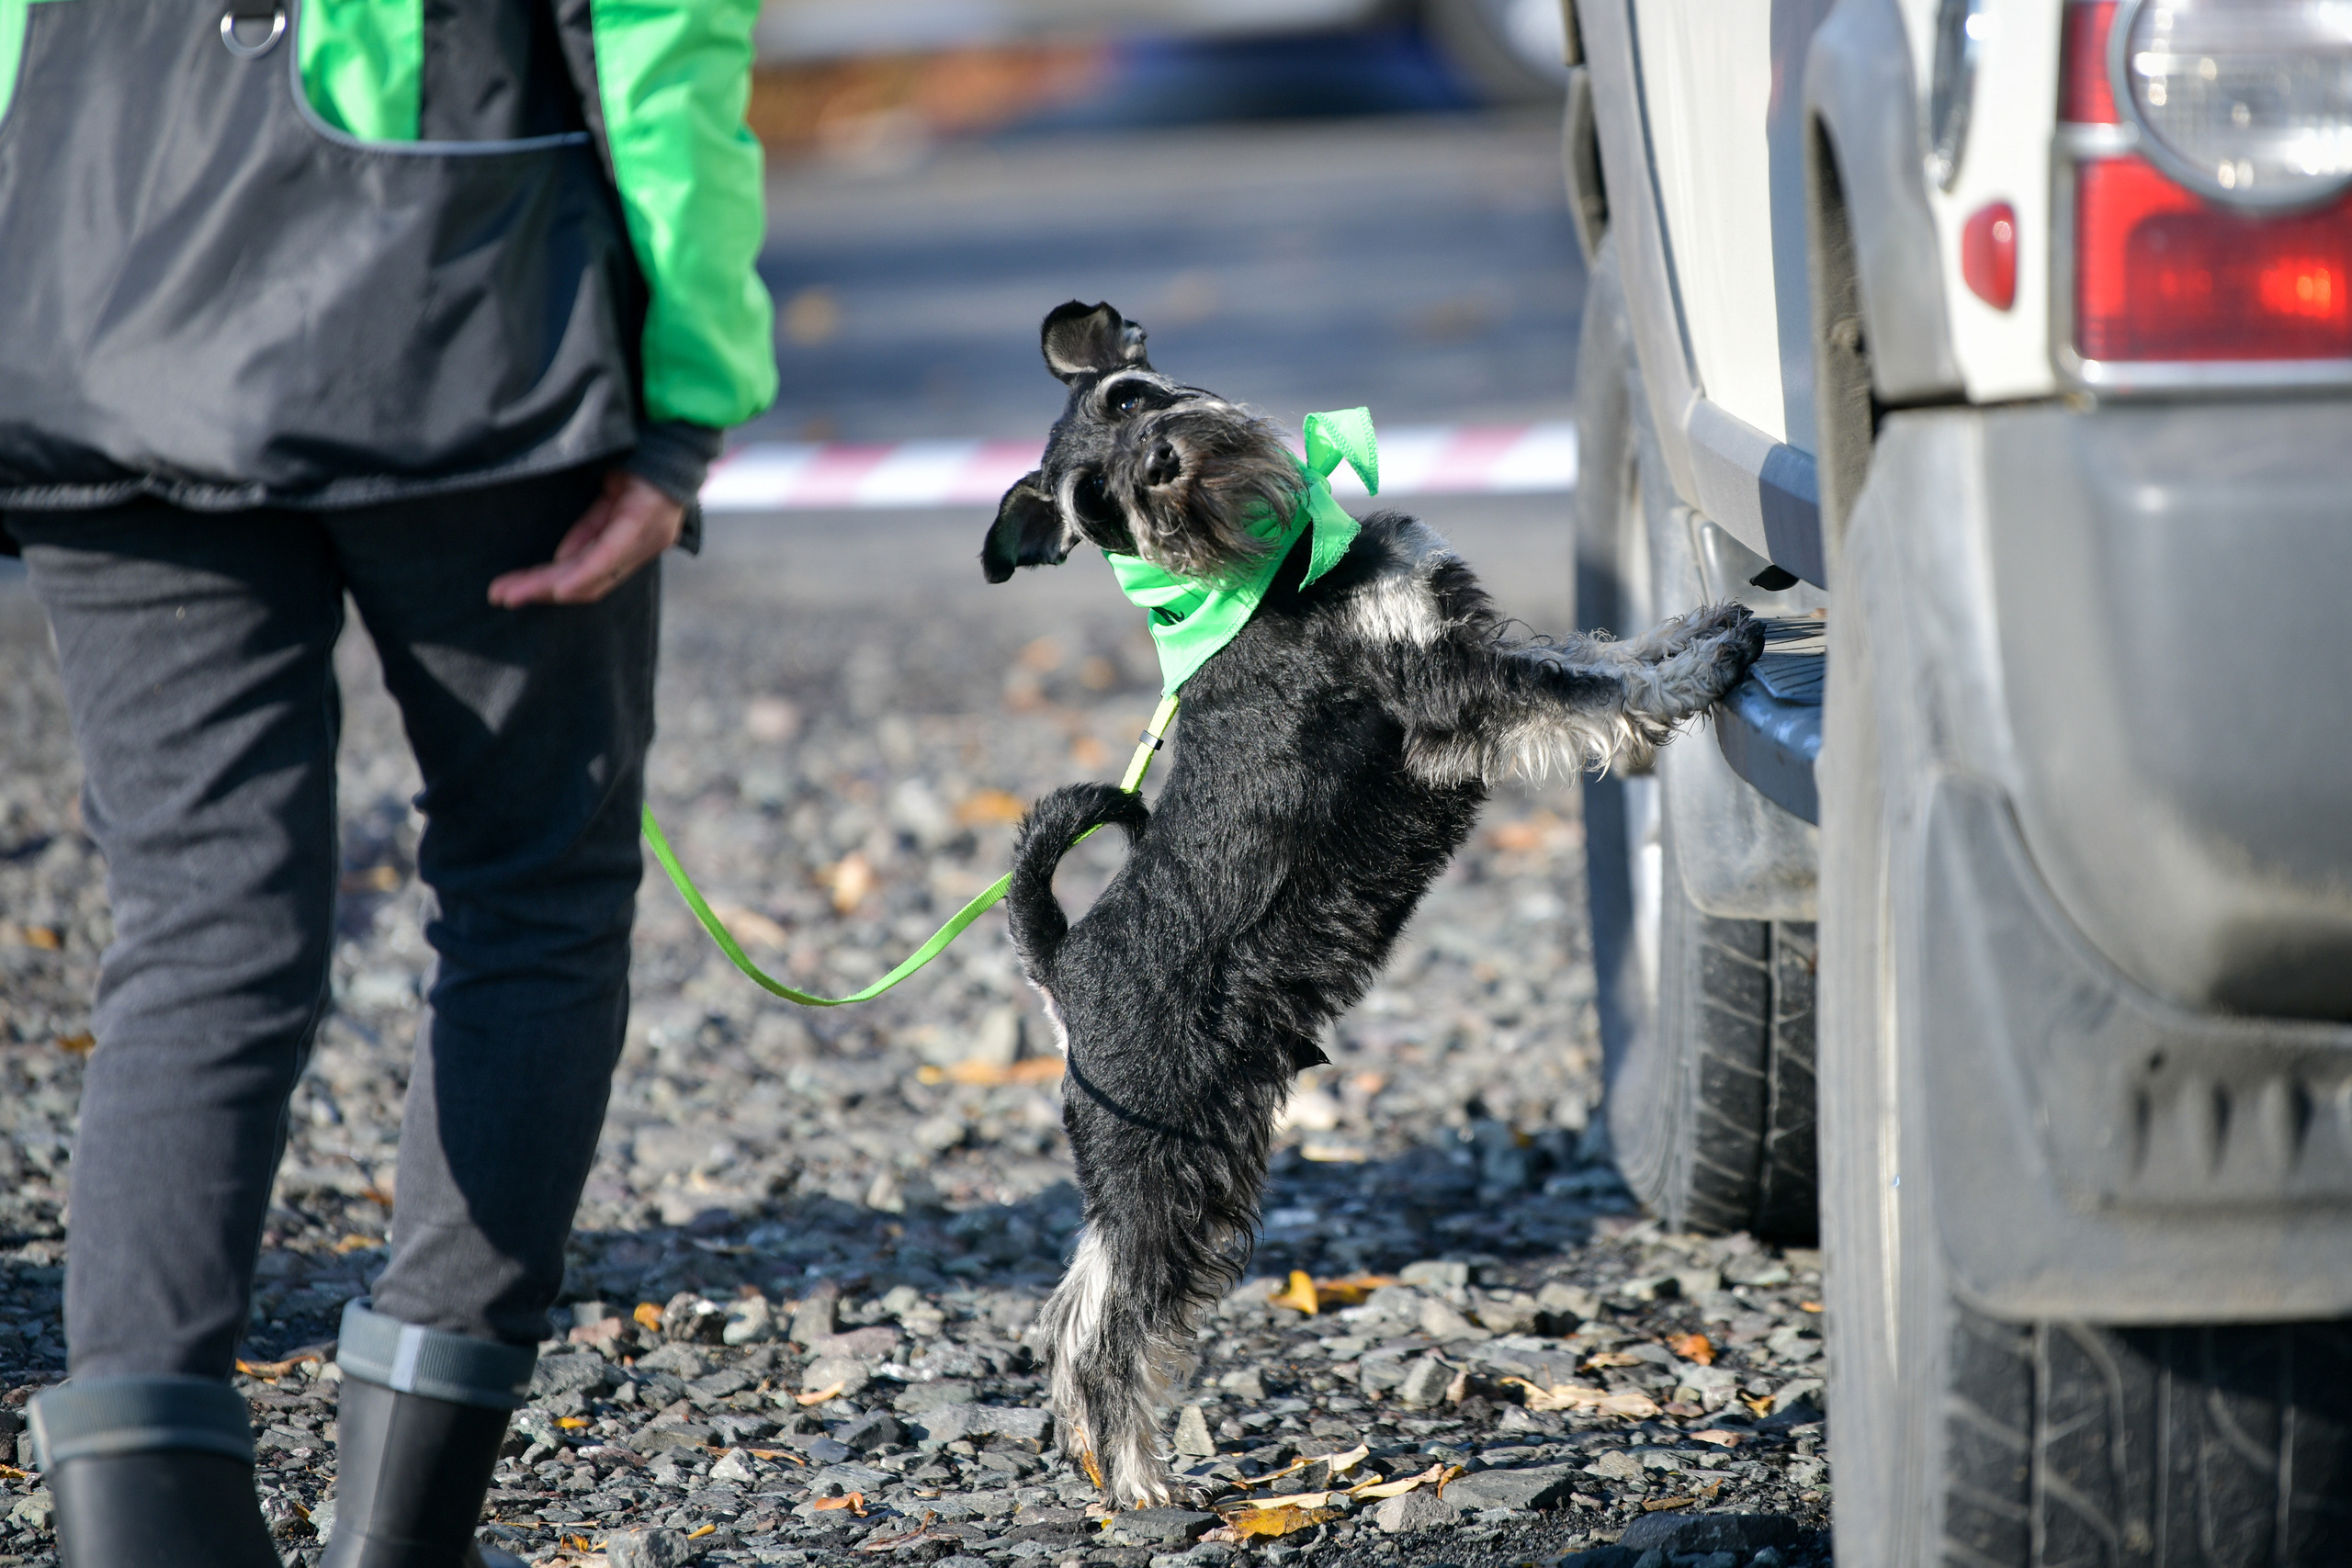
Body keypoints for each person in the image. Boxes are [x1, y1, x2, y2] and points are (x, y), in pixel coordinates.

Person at [0, 0, 775, 1561]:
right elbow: (660, 41)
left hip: (86, 317)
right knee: (532, 893)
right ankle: (405, 1531)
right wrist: (689, 401)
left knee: (196, 927)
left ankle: (145, 1534)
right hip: (466, 319)